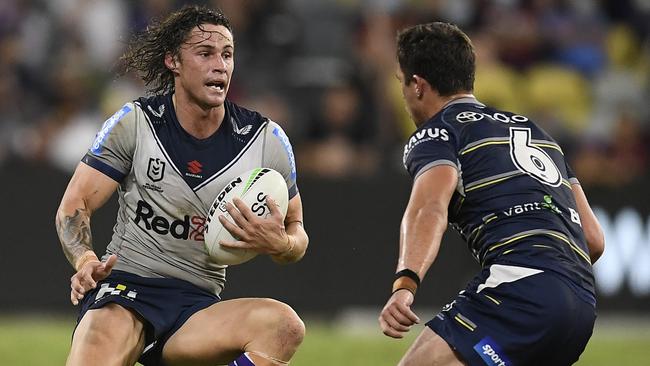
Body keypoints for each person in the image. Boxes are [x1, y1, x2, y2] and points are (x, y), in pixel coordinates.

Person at [55, 5, 308, 366]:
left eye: (227, 54)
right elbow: (74, 206)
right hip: (126, 290)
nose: (220, 65)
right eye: (205, 54)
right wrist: (85, 259)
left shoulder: (265, 140)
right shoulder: (136, 123)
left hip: (196, 306)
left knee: (284, 326)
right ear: (173, 61)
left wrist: (281, 243)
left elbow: (298, 234)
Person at [379, 22, 605, 366]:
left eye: (402, 83)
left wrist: (405, 285)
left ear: (418, 85)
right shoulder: (534, 131)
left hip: (521, 289)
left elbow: (428, 208)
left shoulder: (439, 131)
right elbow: (592, 239)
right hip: (580, 305)